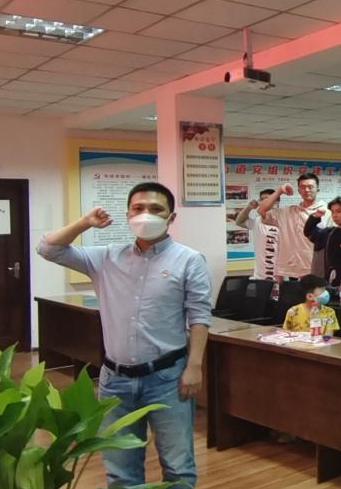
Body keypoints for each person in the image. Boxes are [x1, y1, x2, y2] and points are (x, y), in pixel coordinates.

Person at [36, 182, 211, 488]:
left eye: (156, 209)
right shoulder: (106, 257)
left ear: (171, 217)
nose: (146, 215)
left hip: (167, 378)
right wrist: (84, 222)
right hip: (115, 380)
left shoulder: (189, 259)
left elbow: (199, 316)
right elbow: (48, 248)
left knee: (178, 467)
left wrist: (195, 365)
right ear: (128, 214)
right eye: (138, 208)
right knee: (120, 471)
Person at [257, 173, 326, 280]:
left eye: (310, 187)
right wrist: (279, 191)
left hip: (315, 268)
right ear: (299, 190)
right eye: (303, 187)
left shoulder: (327, 211)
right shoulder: (288, 212)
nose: (306, 190)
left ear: (318, 189)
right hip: (292, 269)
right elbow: (261, 210)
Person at [304, 196, 341, 287]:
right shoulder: (329, 232)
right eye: (332, 212)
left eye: (338, 211)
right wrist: (314, 217)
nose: (335, 215)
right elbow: (309, 233)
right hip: (327, 281)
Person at [234, 188, 280, 280]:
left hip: (279, 276)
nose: (264, 202)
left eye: (267, 199)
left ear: (276, 201)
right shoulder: (257, 221)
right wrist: (249, 207)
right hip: (260, 276)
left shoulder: (285, 221)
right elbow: (239, 222)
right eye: (262, 199)